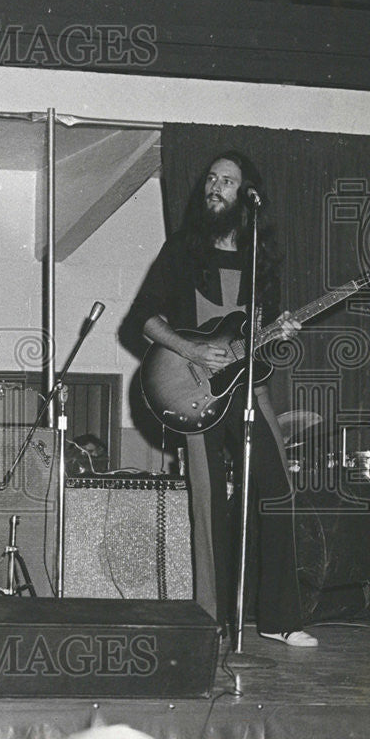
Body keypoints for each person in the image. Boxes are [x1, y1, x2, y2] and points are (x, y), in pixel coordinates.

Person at [126, 150, 317, 646]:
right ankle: (213, 619)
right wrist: (192, 349)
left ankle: (279, 620)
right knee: (208, 500)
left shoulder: (261, 261)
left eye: (227, 181)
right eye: (211, 178)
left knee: (278, 490)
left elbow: (258, 339)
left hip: (248, 387)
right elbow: (140, 320)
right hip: (192, 386)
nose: (215, 186)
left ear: (246, 196)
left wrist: (281, 333)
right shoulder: (182, 251)